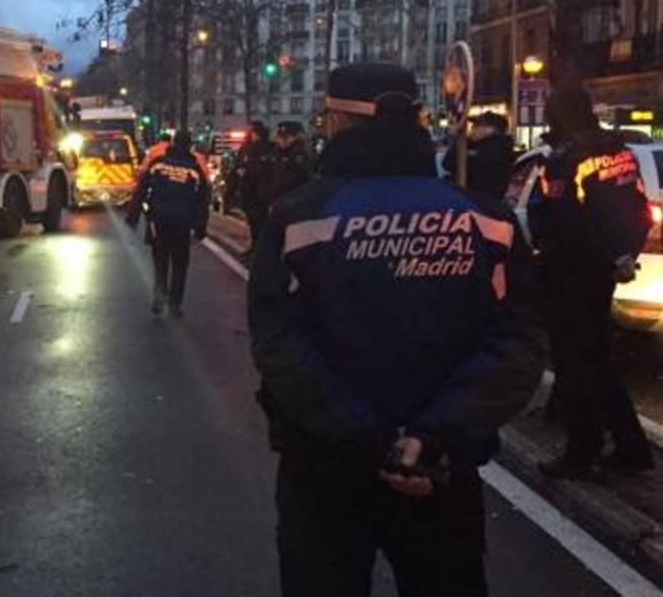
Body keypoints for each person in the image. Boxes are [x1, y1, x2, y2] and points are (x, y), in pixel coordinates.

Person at [249, 63, 547, 597]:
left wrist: (370, 436)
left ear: (338, 122)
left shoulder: (296, 219)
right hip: (440, 471)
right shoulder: (488, 221)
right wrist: (432, 436)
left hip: (326, 474)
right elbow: (516, 345)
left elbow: (279, 345)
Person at [529, 85, 655, 481]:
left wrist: (546, 248)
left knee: (575, 363)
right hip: (604, 270)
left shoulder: (566, 161)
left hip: (571, 271)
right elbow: (638, 209)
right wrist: (622, 256)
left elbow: (561, 218)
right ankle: (632, 447)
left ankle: (582, 451)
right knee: (598, 360)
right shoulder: (621, 153)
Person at [126, 130, 211, 316]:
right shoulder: (195, 169)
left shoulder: (158, 163)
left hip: (158, 220)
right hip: (183, 222)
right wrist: (200, 228)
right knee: (180, 263)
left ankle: (160, 293)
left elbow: (142, 188)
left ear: (172, 143)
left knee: (160, 260)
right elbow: (203, 200)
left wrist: (133, 215)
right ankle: (174, 304)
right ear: (191, 146)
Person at [443, 111, 515, 200]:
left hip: (482, 203)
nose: (472, 129)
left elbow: (451, 163)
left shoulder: (495, 150)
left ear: (490, 129)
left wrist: (460, 140)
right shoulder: (481, 146)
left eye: (476, 126)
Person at [259, 123, 313, 206]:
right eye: (280, 137)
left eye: (286, 137)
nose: (282, 140)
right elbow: (267, 173)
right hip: (275, 199)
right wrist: (266, 192)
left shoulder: (299, 154)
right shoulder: (275, 152)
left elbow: (300, 178)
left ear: (295, 137)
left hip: (292, 201)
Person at [234, 122, 269, 241]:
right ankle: (255, 246)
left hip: (257, 192)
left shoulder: (262, 148)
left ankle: (258, 248)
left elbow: (261, 169)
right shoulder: (248, 147)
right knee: (253, 222)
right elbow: (238, 164)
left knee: (258, 222)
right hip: (250, 190)